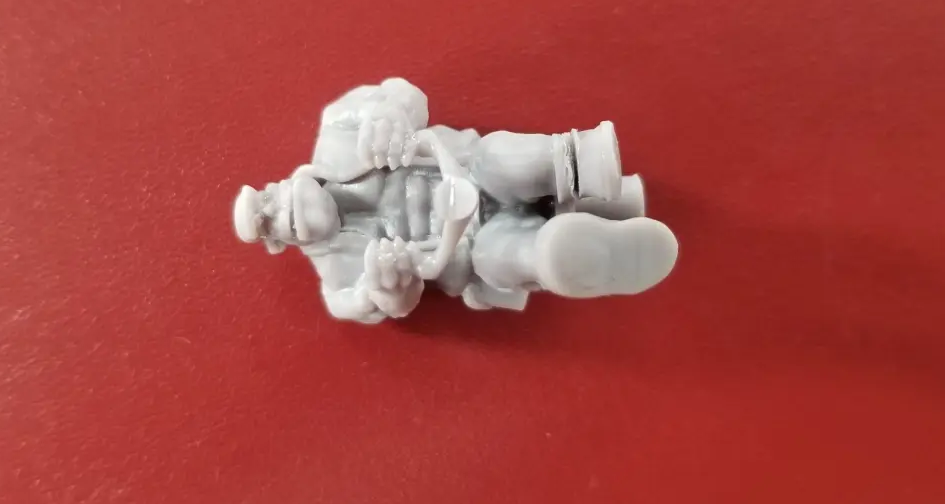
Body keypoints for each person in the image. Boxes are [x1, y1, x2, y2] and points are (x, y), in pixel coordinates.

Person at [233, 78, 678, 324]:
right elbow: (383, 304)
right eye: (270, 223)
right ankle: (561, 256)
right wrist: (391, 288)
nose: (278, 211)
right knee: (497, 257)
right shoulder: (338, 283)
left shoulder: (338, 129)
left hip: (472, 169)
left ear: (279, 183)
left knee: (503, 160)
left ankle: (582, 162)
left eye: (267, 200)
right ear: (279, 244)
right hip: (468, 245)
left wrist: (390, 116)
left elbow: (405, 94)